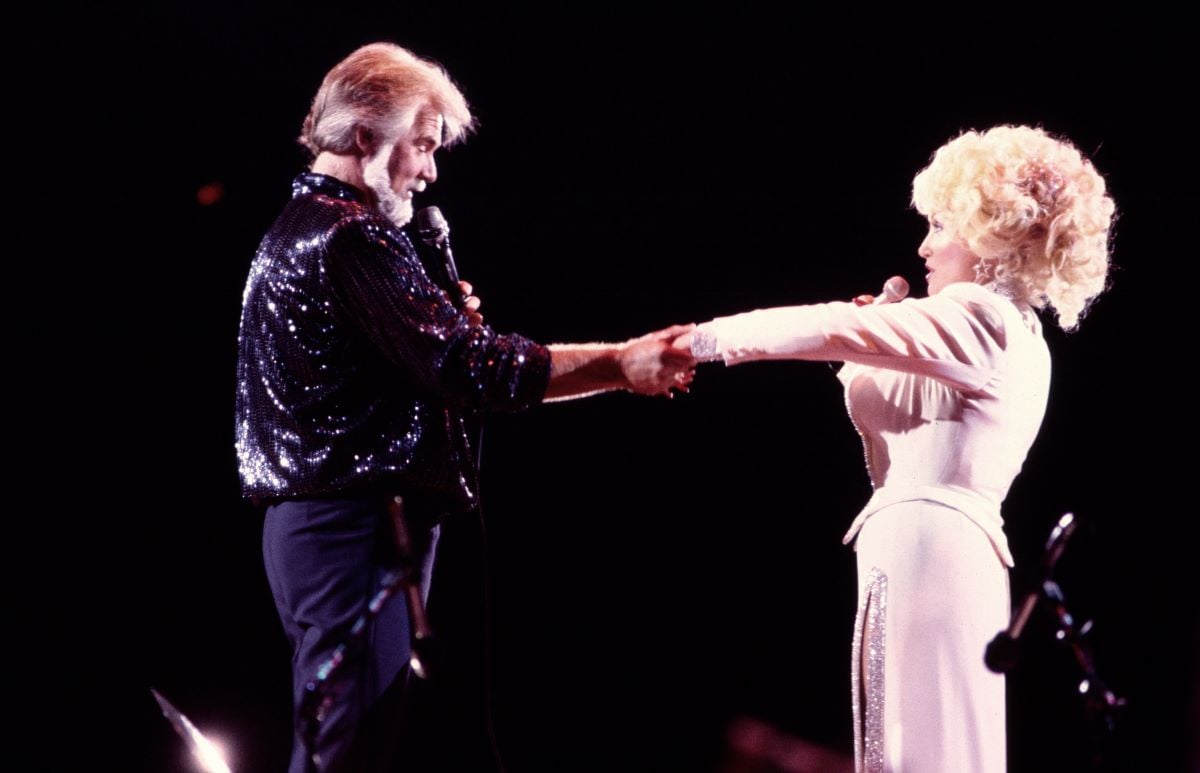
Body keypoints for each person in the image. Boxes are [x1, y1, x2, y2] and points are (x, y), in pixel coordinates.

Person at [235, 42, 693, 773]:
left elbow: (407, 367)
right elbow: (471, 367)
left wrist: (430, 323)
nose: (430, 169)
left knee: (354, 745)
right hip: (350, 527)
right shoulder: (350, 235)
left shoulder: (300, 229)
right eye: (421, 144)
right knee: (344, 753)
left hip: (335, 527)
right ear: (363, 136)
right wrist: (621, 362)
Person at [674, 125, 1115, 772]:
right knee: (916, 736)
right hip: (938, 542)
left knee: (917, 742)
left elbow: (828, 323)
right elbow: (897, 394)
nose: (925, 245)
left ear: (987, 229)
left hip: (930, 542)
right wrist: (869, 351)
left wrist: (699, 340)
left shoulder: (981, 315)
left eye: (940, 225)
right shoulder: (1011, 330)